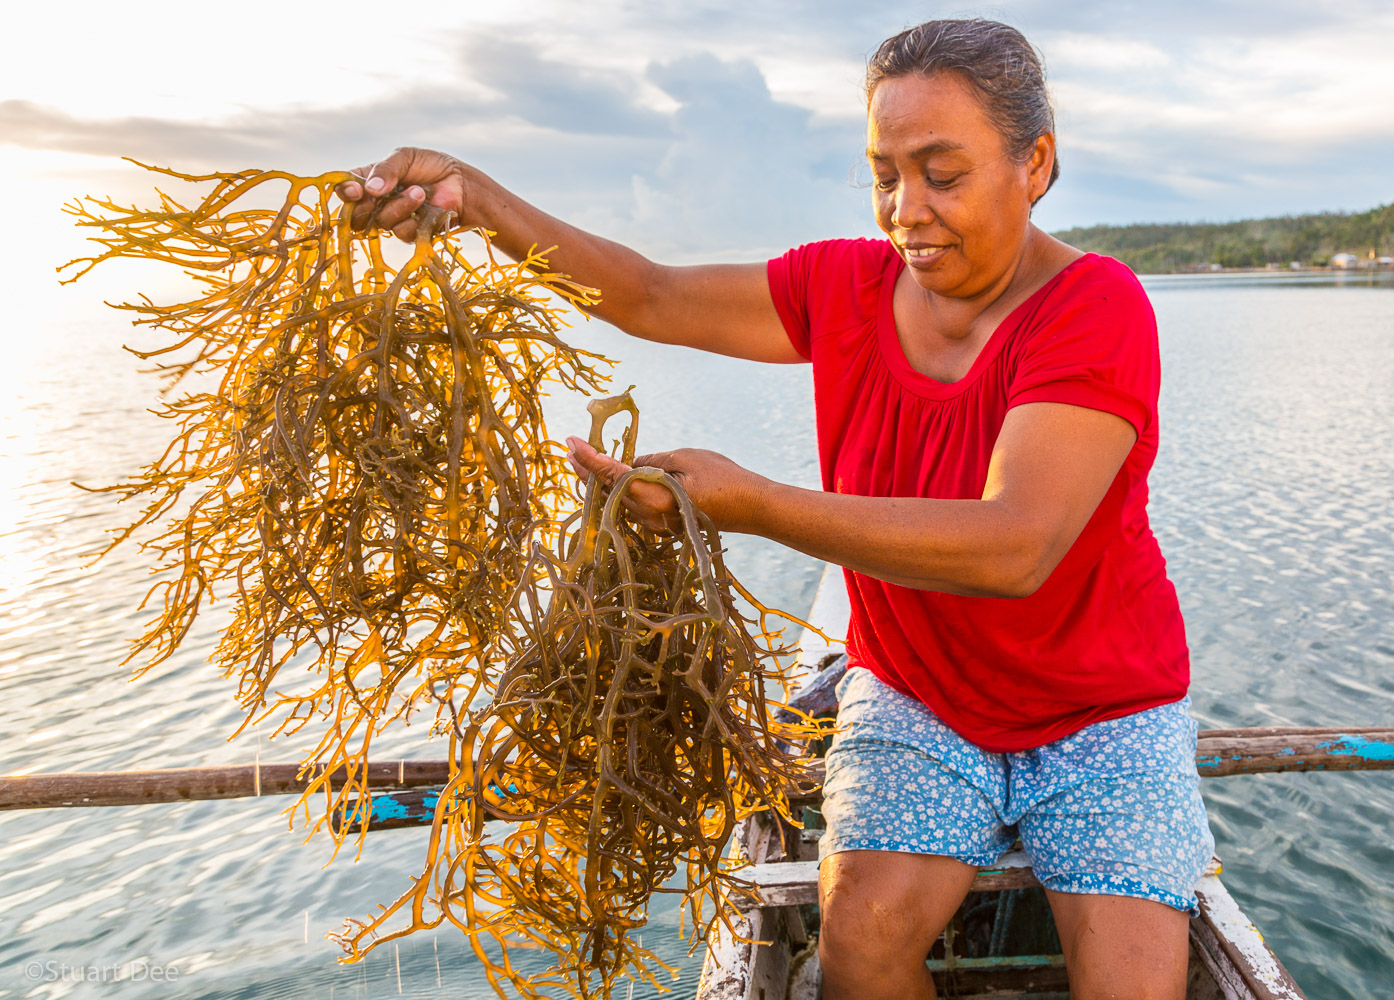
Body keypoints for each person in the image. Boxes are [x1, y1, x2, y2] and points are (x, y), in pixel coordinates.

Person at [336, 18, 1213, 1000]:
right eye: (884, 173)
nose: (905, 210)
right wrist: (475, 198)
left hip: (1104, 710)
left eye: (942, 173)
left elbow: (1019, 544)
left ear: (1036, 164)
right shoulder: (844, 287)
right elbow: (651, 294)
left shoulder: (1095, 306)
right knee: (860, 945)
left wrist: (750, 501)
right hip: (922, 693)